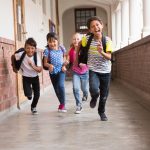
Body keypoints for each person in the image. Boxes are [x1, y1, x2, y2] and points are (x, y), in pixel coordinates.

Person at [77, 16, 113, 121]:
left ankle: (101, 112)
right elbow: (78, 44)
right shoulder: (87, 39)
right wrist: (76, 58)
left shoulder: (107, 40)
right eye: (92, 26)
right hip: (93, 70)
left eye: (97, 25)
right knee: (94, 89)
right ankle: (94, 96)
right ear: (90, 30)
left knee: (104, 95)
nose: (95, 27)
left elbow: (109, 57)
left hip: (106, 71)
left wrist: (101, 51)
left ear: (101, 25)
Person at [14, 38, 42, 114]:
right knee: (29, 95)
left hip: (35, 77)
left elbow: (40, 69)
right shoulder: (21, 54)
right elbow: (13, 56)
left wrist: (32, 65)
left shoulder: (37, 56)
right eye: (28, 48)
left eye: (32, 48)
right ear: (25, 48)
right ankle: (29, 93)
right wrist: (14, 67)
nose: (30, 50)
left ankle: (33, 107)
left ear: (35, 49)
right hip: (26, 77)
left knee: (37, 95)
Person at [43, 32, 67, 113]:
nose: (52, 43)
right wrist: (49, 65)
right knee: (56, 90)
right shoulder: (47, 51)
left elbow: (65, 56)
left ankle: (63, 105)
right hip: (52, 72)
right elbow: (45, 63)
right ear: (47, 42)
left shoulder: (62, 48)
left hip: (61, 70)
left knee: (61, 86)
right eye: (50, 41)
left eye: (54, 41)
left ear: (57, 41)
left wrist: (64, 64)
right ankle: (61, 103)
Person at [67, 33, 89, 114]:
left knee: (84, 89)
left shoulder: (85, 49)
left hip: (85, 72)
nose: (76, 40)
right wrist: (66, 62)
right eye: (74, 39)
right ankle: (79, 105)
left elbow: (89, 60)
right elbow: (69, 60)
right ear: (72, 41)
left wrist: (85, 64)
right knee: (75, 88)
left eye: (78, 39)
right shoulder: (71, 51)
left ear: (81, 40)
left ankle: (85, 94)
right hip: (75, 72)